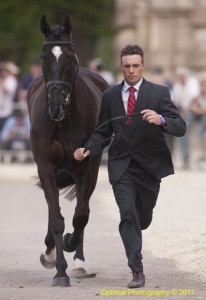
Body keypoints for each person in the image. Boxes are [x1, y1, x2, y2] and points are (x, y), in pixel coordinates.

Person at [74, 44, 186, 288]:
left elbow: (181, 126)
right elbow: (103, 130)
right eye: (127, 66)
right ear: (121, 67)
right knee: (127, 215)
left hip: (150, 167)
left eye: (136, 66)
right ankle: (137, 270)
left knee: (142, 219)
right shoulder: (111, 96)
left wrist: (162, 119)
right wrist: (88, 148)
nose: (132, 70)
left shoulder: (159, 93)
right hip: (121, 165)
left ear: (142, 66)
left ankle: (142, 219)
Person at [172, 66, 200, 169]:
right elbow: (176, 102)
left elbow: (194, 99)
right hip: (182, 112)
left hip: (193, 111)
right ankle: (184, 156)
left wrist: (186, 111)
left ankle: (186, 155)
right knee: (179, 129)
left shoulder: (192, 82)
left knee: (184, 129)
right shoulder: (177, 86)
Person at [190, 79, 206, 164]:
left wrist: (200, 110)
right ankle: (200, 155)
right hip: (199, 119)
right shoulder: (198, 97)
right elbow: (193, 108)